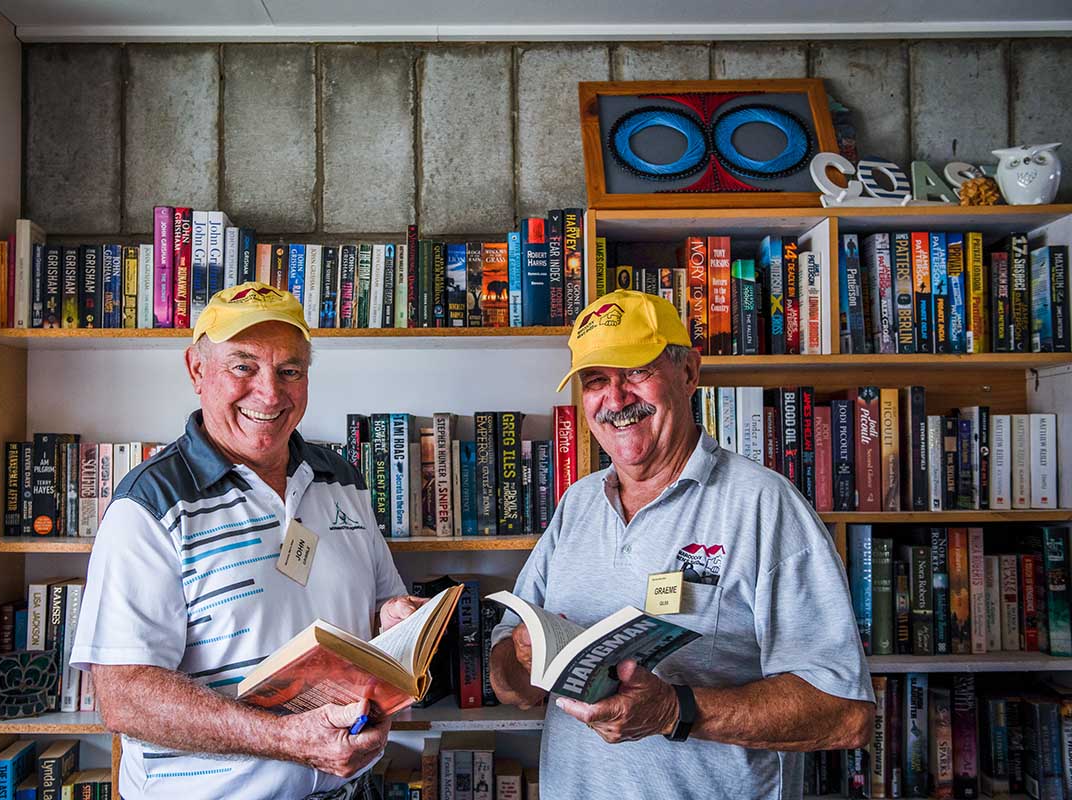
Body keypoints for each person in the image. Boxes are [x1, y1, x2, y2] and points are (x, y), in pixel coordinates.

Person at [489, 290, 874, 799]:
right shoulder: (577, 503)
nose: (617, 398)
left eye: (636, 372)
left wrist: (675, 710)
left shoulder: (763, 504)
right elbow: (509, 685)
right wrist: (520, 659)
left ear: (689, 372)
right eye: (597, 380)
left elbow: (844, 712)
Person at [71, 282, 425, 800]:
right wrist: (287, 739)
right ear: (196, 370)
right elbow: (124, 697)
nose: (270, 393)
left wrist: (392, 618)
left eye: (290, 371)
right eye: (243, 366)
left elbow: (376, 608)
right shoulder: (148, 506)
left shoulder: (340, 479)